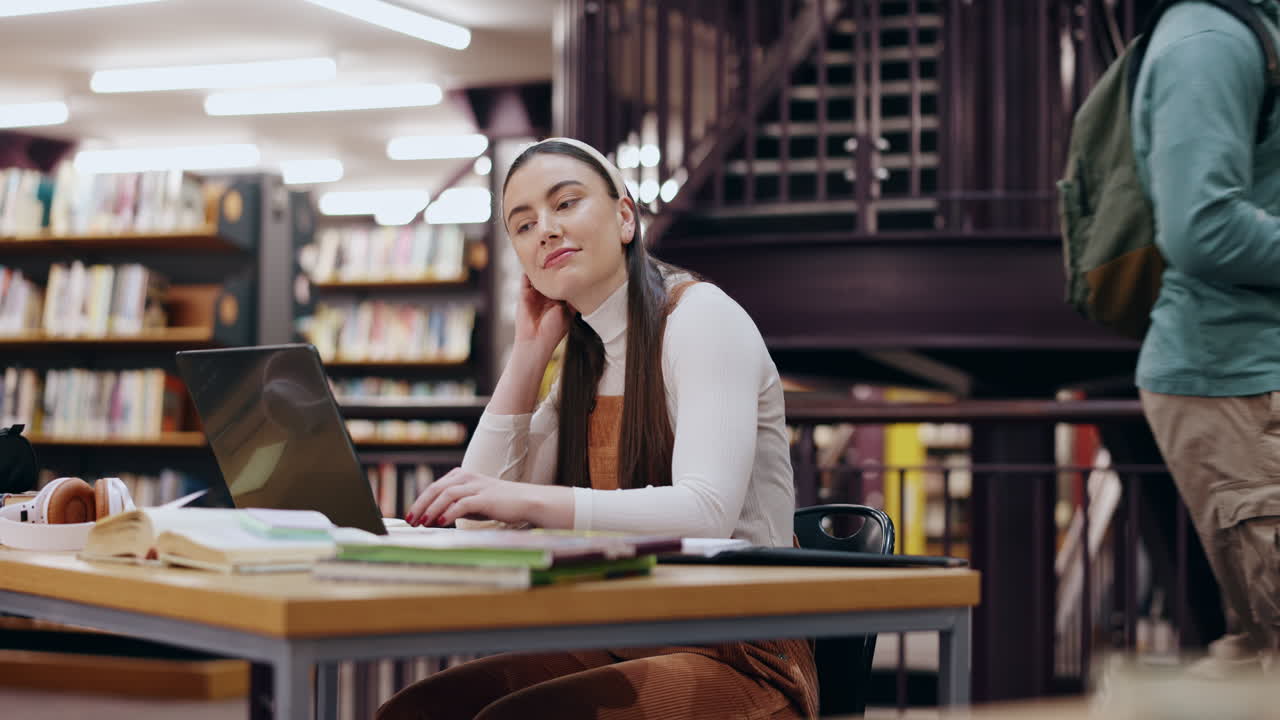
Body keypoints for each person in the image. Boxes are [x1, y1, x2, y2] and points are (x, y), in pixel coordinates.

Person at [375, 137, 818, 720]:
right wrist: (529, 353)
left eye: (565, 204)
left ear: (625, 216)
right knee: (419, 711)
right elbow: (477, 511)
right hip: (624, 637)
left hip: (743, 653)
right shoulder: (584, 356)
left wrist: (532, 500)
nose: (547, 231)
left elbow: (706, 512)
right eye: (524, 225)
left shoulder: (702, 318)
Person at [1131, 1, 1280, 674]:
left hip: (1251, 373)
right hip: (1238, 378)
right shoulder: (1210, 41)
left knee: (1260, 655)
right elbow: (1202, 228)